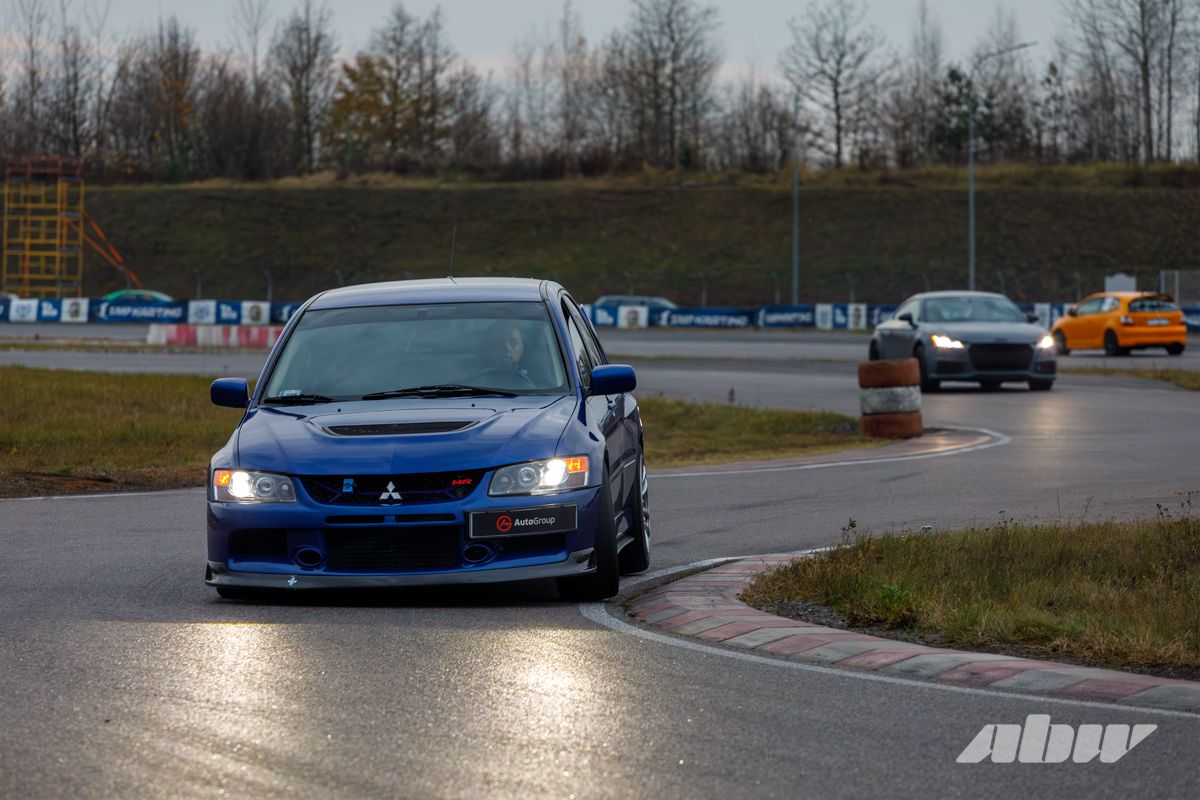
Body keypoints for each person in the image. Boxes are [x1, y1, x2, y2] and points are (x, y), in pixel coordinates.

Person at [476, 322, 535, 387]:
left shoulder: (538, 384)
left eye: (514, 342)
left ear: (522, 349)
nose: (507, 348)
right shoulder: (475, 381)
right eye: (499, 343)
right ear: (490, 348)